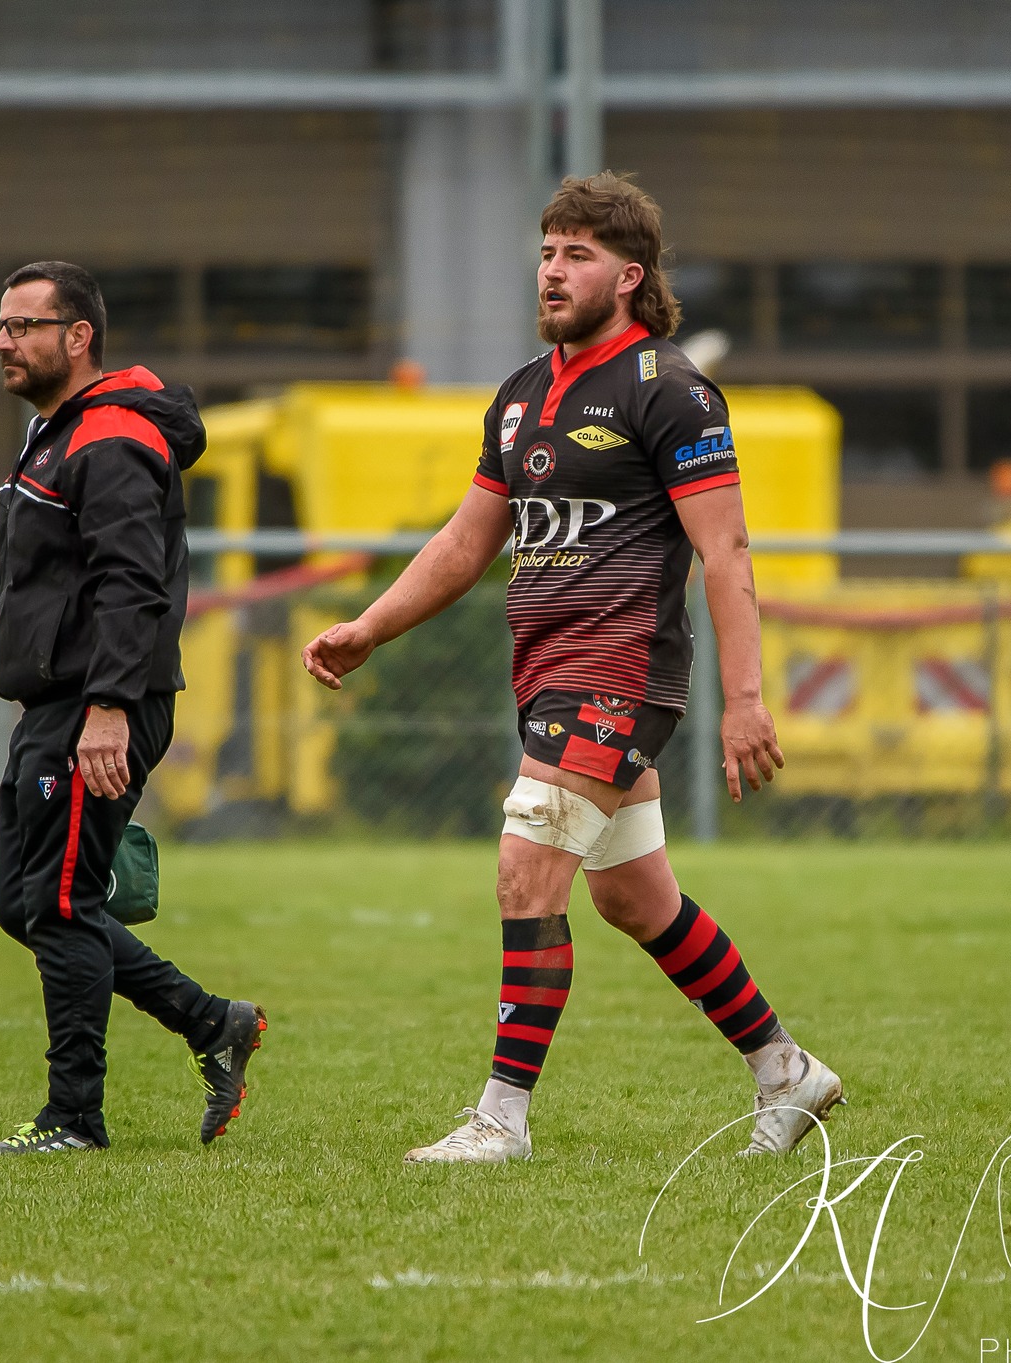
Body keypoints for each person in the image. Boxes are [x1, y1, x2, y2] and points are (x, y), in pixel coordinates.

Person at [301, 176, 843, 1164]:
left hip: (618, 671)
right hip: (547, 675)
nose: (552, 270)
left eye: (577, 254)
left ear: (628, 277)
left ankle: (497, 1121)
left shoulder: (667, 389)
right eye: (546, 251)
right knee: (631, 898)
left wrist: (746, 700)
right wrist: (370, 625)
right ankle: (784, 1070)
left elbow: (724, 553)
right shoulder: (518, 398)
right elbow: (467, 542)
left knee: (524, 867)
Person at [0, 260, 265, 1157]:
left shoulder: (113, 437)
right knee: (26, 906)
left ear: (79, 336)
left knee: (58, 906)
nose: (6, 342)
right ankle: (213, 1022)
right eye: (1, 327)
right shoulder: (55, 432)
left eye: (25, 327)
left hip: (99, 706)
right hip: (54, 704)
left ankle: (74, 1118)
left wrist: (108, 710)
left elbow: (132, 586)